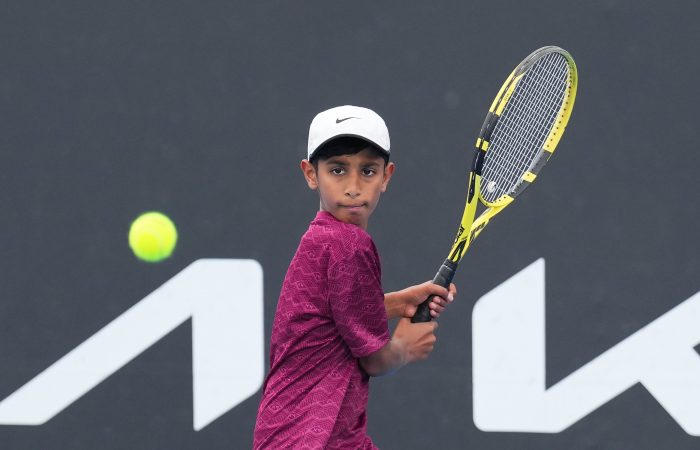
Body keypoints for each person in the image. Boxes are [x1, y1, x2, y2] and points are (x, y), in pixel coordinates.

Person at [253, 105, 457, 449]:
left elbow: (328, 318)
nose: (353, 187)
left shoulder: (319, 238)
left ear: (386, 176)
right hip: (315, 441)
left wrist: (398, 302)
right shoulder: (349, 244)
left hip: (305, 437)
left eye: (367, 171)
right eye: (337, 169)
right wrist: (406, 345)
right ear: (310, 174)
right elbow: (376, 360)